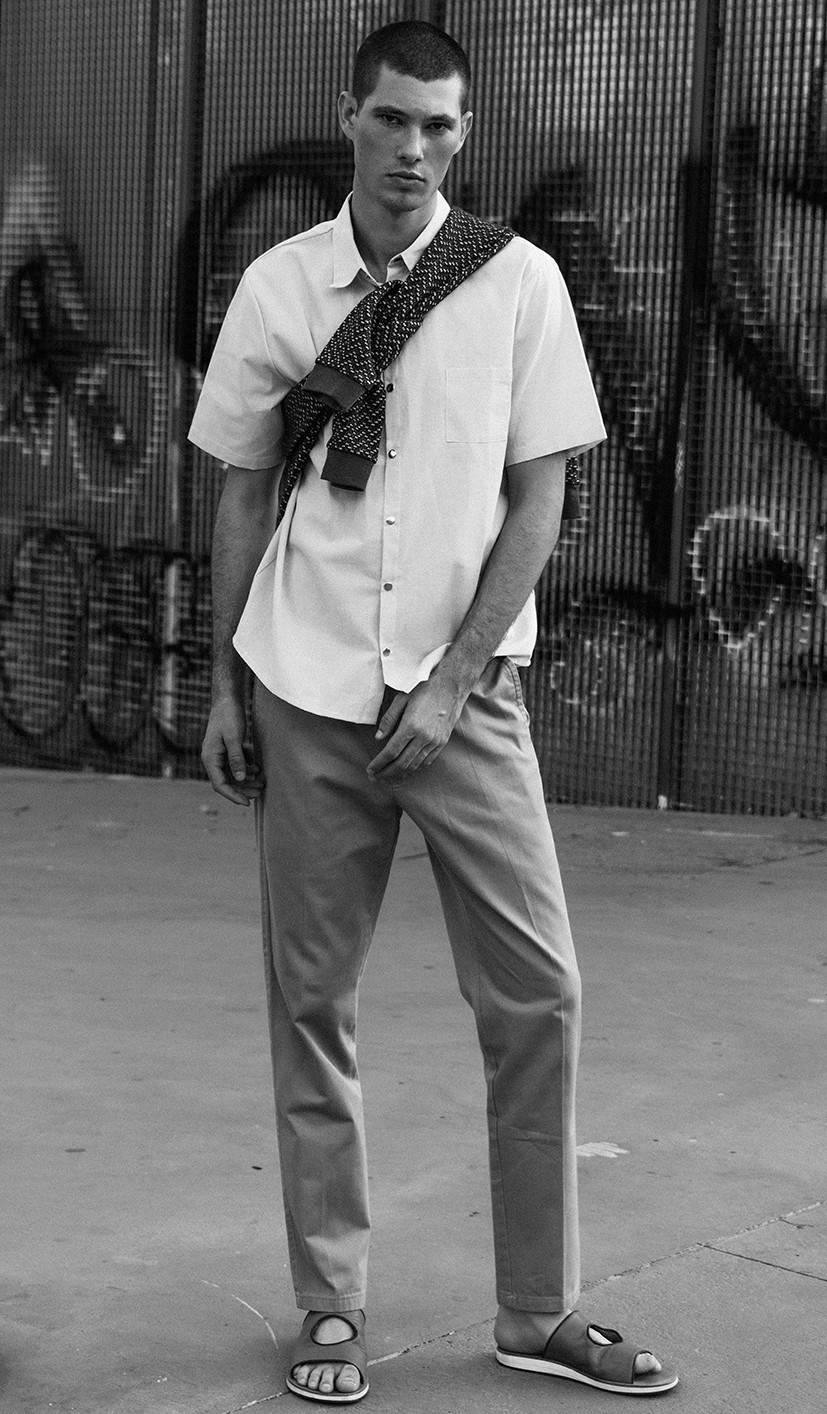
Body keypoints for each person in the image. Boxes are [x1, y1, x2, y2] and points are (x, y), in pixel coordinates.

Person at [190, 19, 678, 1405]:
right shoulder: (280, 286)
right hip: (307, 689)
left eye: (440, 126)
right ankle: (330, 1307)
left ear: (465, 136)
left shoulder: (518, 283)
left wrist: (456, 676)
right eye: (394, 118)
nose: (414, 148)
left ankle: (539, 1309)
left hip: (466, 701)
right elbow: (241, 491)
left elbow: (540, 500)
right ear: (349, 114)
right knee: (312, 1003)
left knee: (540, 993)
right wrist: (221, 682)